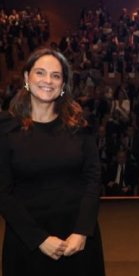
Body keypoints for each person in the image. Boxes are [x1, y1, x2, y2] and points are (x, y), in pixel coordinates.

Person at [0, 48, 105, 276]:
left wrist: (82, 231)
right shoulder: (6, 129)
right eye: (40, 73)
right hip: (27, 242)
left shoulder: (80, 126)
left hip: (77, 241)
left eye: (56, 75)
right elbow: (3, 192)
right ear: (27, 78)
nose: (48, 80)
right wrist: (39, 239)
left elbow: (93, 180)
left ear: (63, 83)